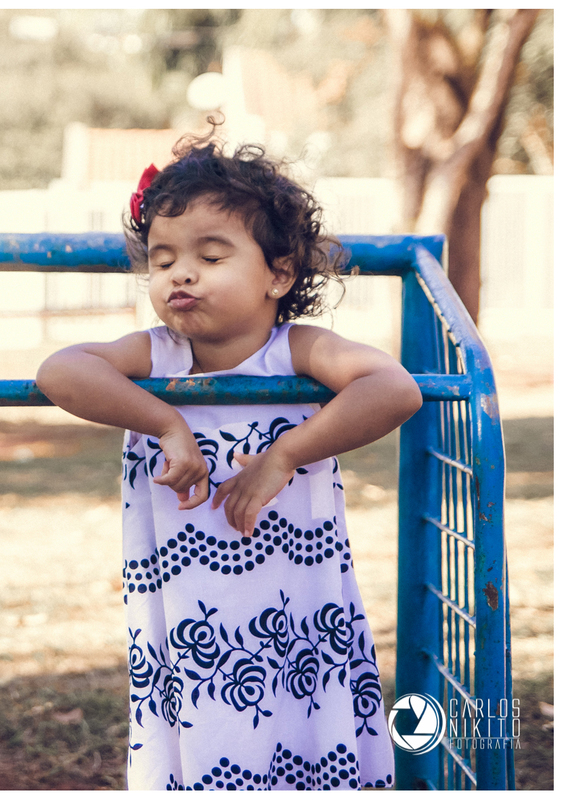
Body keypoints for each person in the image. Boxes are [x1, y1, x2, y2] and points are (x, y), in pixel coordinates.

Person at [36, 135, 422, 790]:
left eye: (210, 256)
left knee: (304, 727)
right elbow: (59, 371)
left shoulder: (296, 351)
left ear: (278, 273)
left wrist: (283, 458)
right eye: (162, 261)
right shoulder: (158, 357)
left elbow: (395, 389)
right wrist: (165, 421)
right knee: (206, 735)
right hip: (188, 615)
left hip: (297, 608)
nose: (179, 274)